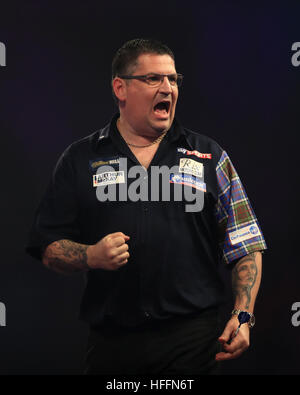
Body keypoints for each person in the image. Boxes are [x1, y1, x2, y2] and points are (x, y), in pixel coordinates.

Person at [26, 38, 267, 375]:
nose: (167, 88)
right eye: (153, 79)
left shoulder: (209, 156)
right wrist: (91, 255)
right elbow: (48, 245)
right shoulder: (81, 158)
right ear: (120, 88)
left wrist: (243, 316)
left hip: (193, 344)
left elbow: (246, 243)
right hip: (113, 346)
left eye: (173, 79)